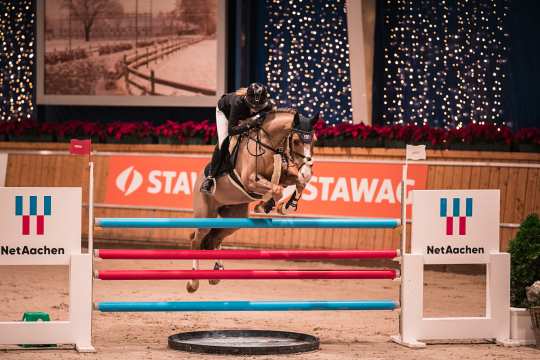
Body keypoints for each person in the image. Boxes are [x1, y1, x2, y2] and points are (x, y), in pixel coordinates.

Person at [200, 83, 275, 195]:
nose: (255, 109)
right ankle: (210, 177)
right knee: (224, 142)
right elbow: (232, 130)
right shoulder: (238, 103)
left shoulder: (268, 105)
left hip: (246, 117)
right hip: (225, 113)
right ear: (247, 100)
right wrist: (251, 124)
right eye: (252, 106)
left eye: (258, 107)